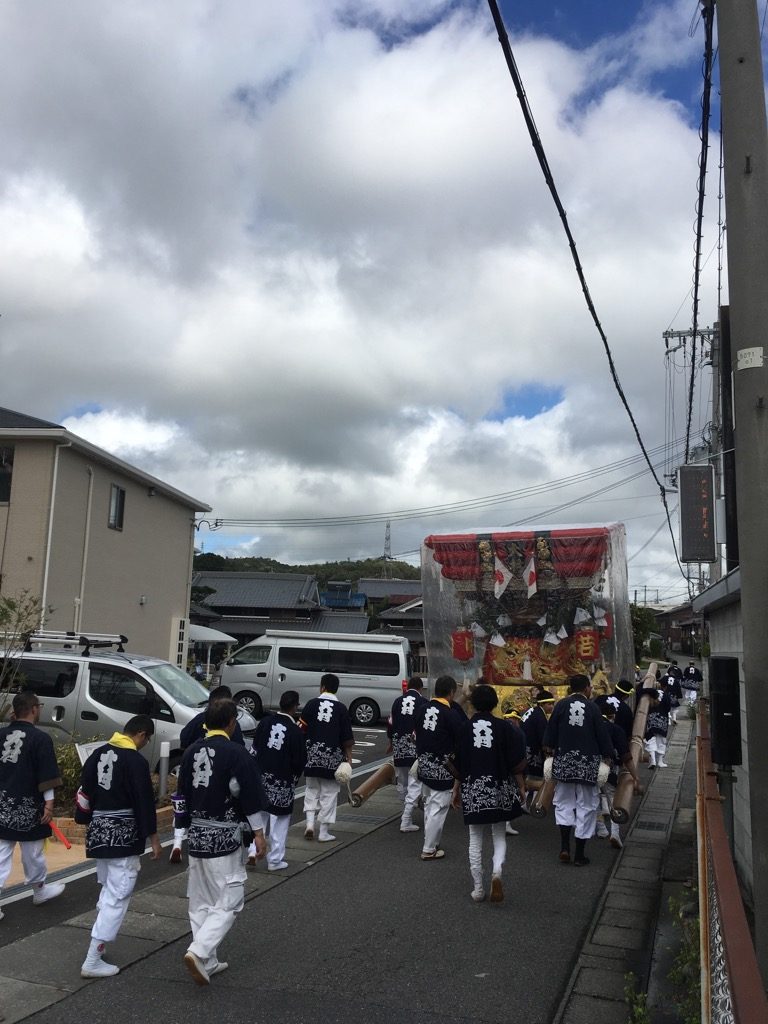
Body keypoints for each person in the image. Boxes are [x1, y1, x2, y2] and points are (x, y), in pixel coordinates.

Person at [178, 699, 268, 985]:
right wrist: (259, 833)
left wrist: (179, 836)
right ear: (231, 723)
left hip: (197, 836)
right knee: (230, 898)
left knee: (201, 900)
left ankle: (210, 960)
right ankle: (199, 950)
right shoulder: (236, 753)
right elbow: (249, 794)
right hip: (224, 838)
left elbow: (180, 799)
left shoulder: (191, 752)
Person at [75, 715, 162, 978]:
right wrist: (154, 837)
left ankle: (97, 950)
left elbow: (83, 792)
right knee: (118, 893)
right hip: (124, 834)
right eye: (146, 739)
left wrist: (85, 821)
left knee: (108, 888)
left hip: (99, 830)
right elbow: (144, 801)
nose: (145, 744)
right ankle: (93, 957)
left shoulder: (98, 753)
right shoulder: (135, 760)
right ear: (142, 734)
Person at [453, 685, 526, 903]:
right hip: (499, 788)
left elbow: (459, 763)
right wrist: (521, 786)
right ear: (495, 704)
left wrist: (456, 787)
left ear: (473, 704)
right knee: (499, 834)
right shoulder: (504, 727)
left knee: (475, 839)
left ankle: (477, 889)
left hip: (474, 788)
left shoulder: (465, 728)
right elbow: (516, 762)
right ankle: (497, 873)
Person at [0, 690, 65, 915]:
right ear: (34, 709)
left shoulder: (0, 735)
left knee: (0, 853)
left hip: (2, 804)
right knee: (33, 853)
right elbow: (46, 775)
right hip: (30, 805)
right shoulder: (40, 739)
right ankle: (39, 890)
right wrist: (49, 804)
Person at [543, 674, 614, 867]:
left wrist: (549, 748)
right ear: (586, 689)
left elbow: (550, 735)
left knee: (564, 803)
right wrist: (608, 755)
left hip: (564, 761)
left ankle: (565, 847)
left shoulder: (561, 705)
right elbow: (602, 735)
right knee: (586, 806)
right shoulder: (593, 708)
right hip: (587, 764)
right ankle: (579, 854)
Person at [169, 685, 246, 864]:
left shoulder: (198, 719)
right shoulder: (230, 724)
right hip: (219, 776)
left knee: (184, 802)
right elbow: (239, 746)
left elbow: (184, 737)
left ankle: (177, 843)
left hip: (193, 769)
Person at [252, 690, 306, 871]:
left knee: (259, 816)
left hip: (261, 779)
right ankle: (275, 860)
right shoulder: (295, 731)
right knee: (280, 821)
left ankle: (253, 851)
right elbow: (299, 761)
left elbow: (255, 749)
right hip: (282, 781)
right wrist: (294, 779)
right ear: (295, 706)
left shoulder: (265, 723)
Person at [300, 673, 354, 843]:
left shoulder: (311, 704)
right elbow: (347, 739)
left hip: (312, 756)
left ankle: (309, 824)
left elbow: (300, 730)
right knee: (329, 794)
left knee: (311, 790)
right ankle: (323, 832)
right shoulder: (341, 709)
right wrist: (349, 758)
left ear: (322, 687)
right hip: (332, 759)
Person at [414, 675, 463, 860]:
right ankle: (428, 848)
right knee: (438, 807)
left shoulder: (421, 709)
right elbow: (461, 739)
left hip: (424, 764)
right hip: (442, 768)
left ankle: (431, 842)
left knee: (429, 805)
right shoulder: (450, 714)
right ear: (452, 692)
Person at [595, 702, 640, 850]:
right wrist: (635, 777)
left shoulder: (590, 727)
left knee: (593, 799)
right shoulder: (616, 729)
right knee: (613, 800)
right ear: (612, 716)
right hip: (609, 771)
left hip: (589, 769)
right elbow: (626, 757)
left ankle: (601, 828)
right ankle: (615, 833)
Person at [387, 676, 428, 833]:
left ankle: (407, 817)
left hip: (399, 746)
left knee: (402, 782)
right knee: (415, 783)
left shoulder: (397, 701)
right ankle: (405, 820)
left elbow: (390, 723)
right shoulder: (423, 702)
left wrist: (391, 741)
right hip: (415, 748)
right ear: (420, 688)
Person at [644, 682, 672, 769]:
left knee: (651, 738)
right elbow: (668, 708)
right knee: (661, 741)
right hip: (662, 720)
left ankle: (653, 760)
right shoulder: (666, 695)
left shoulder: (649, 695)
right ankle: (660, 761)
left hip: (651, 718)